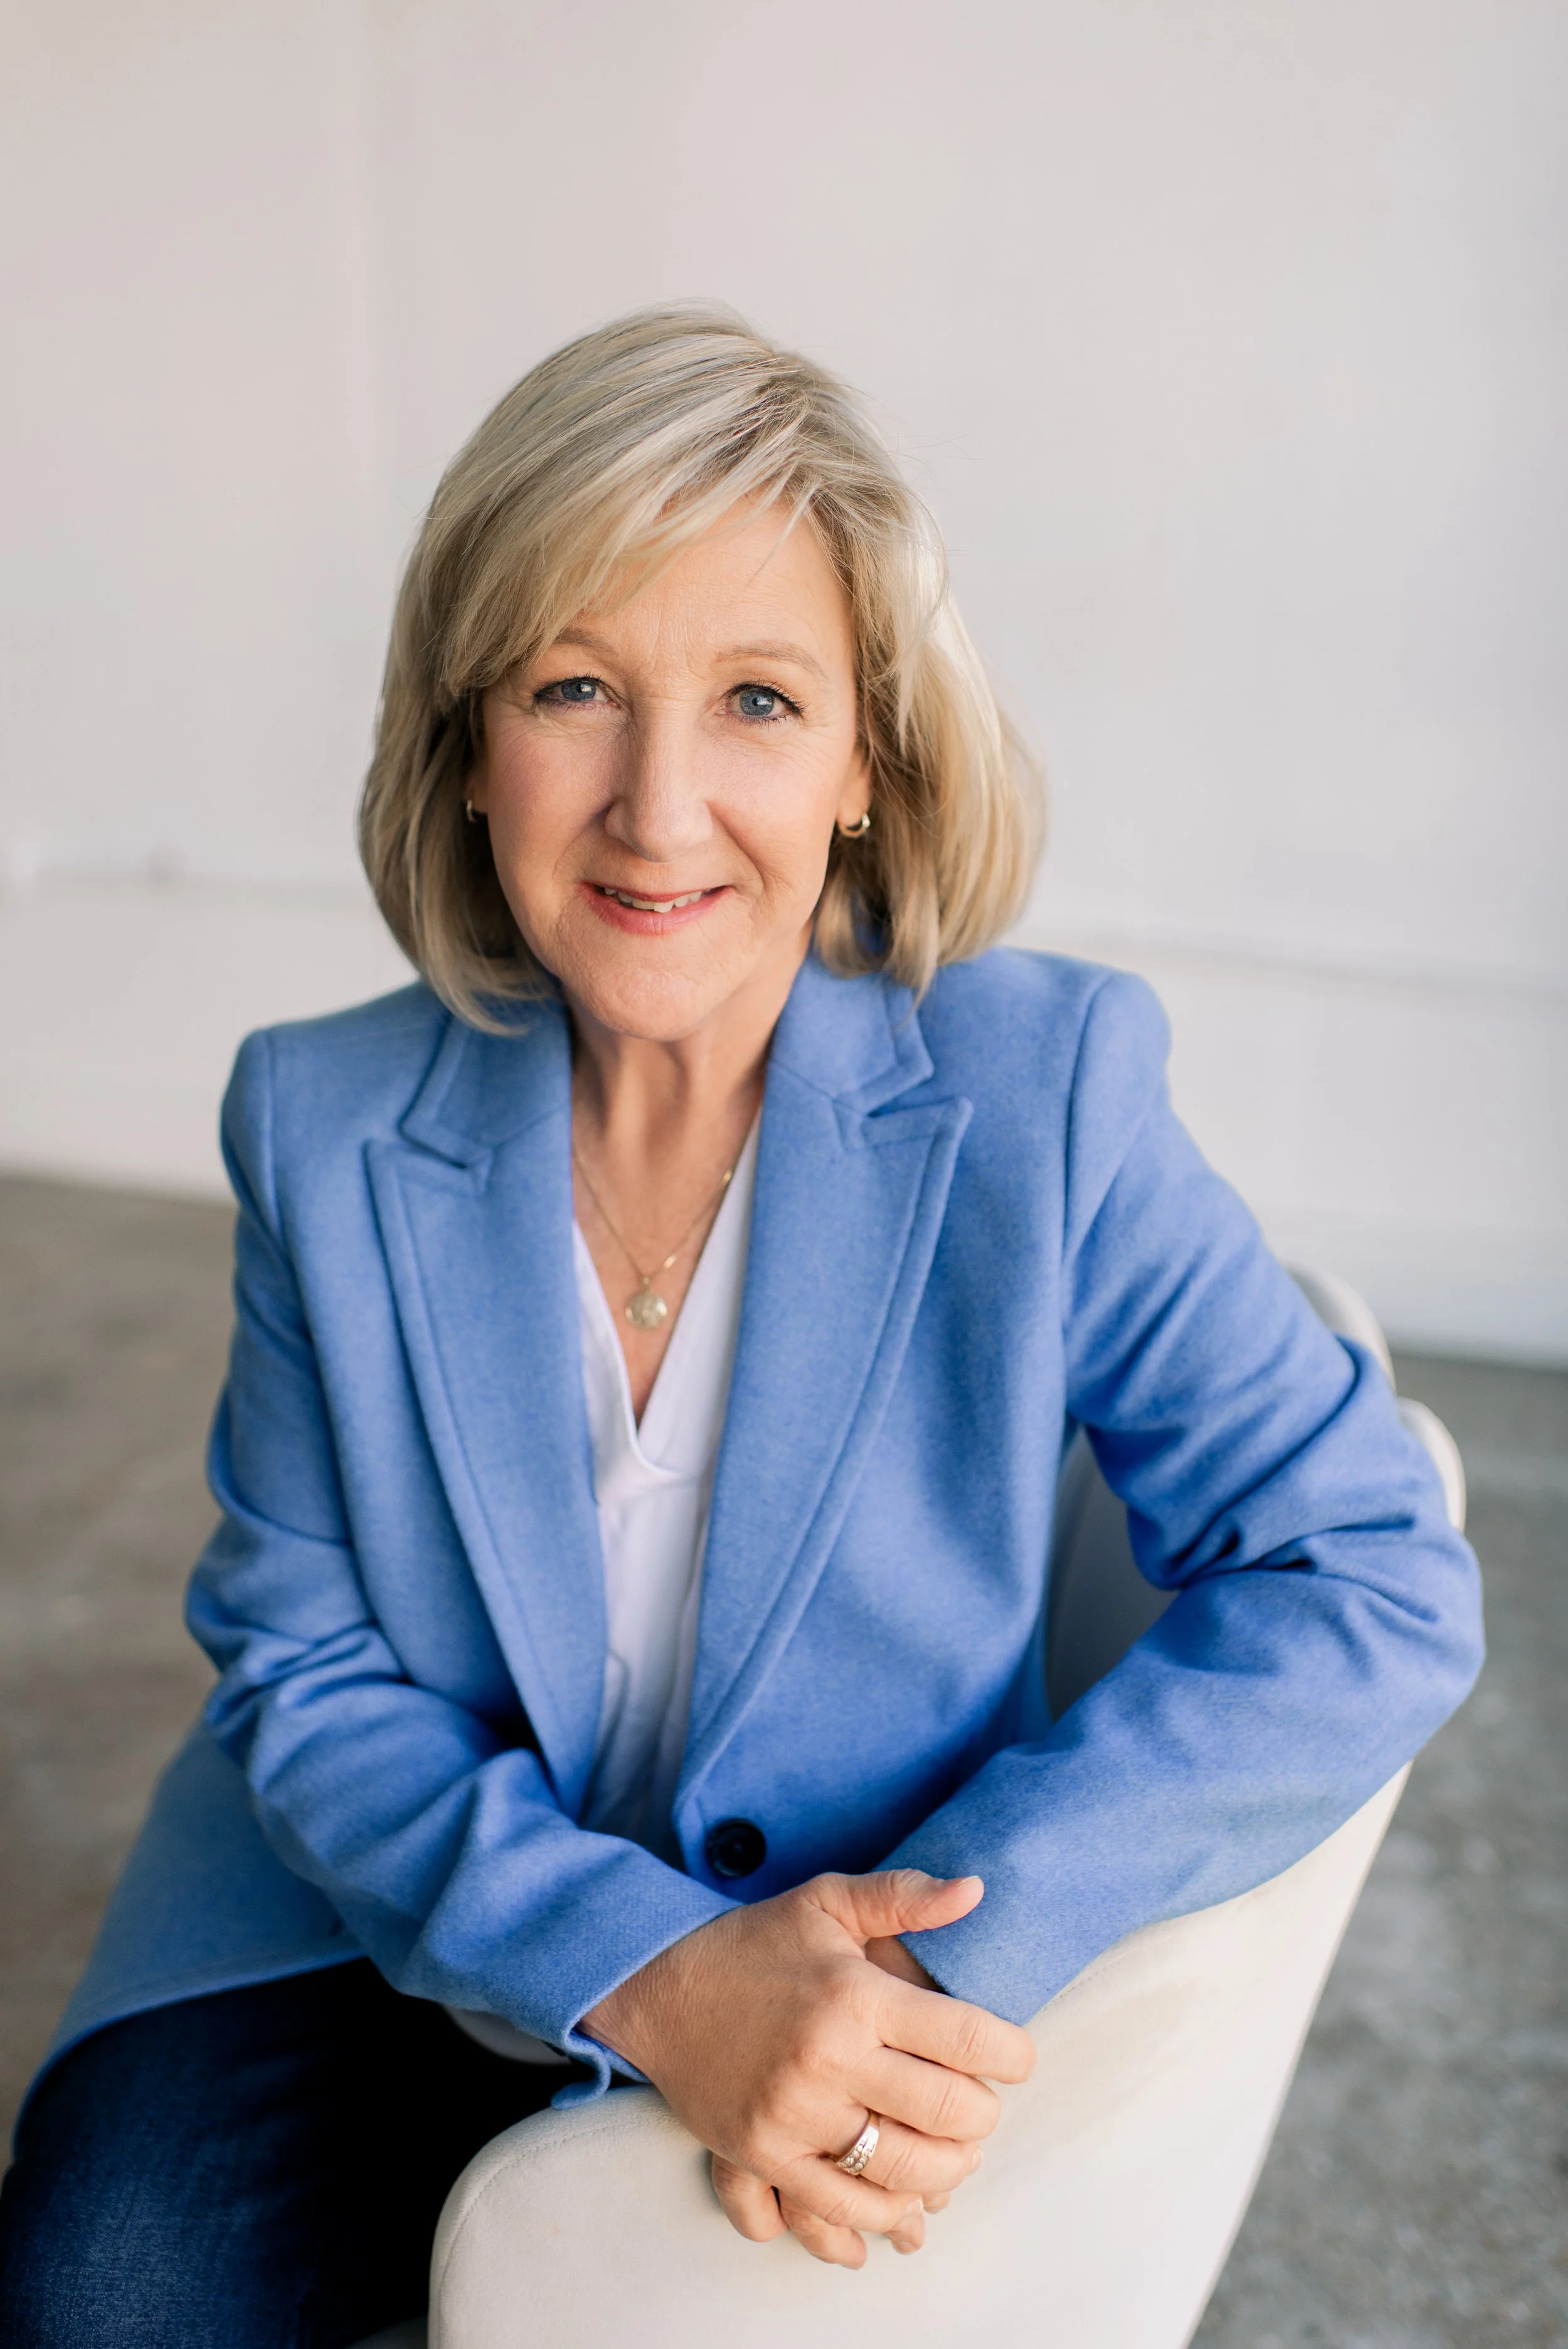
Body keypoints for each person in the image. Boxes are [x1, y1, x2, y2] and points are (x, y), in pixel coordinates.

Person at [0, 307, 1483, 2346]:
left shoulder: (1041, 1094)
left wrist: (926, 1969)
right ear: (467, 742)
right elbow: (304, 1672)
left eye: (760, 701)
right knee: (91, 2301)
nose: (658, 806)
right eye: (574, 689)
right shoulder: (318, 1121)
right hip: (377, 1918)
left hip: (842, 1957)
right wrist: (646, 1972)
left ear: (867, 762)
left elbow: (1367, 1571)